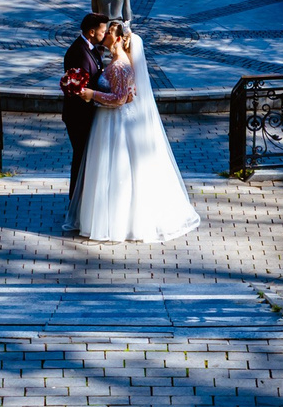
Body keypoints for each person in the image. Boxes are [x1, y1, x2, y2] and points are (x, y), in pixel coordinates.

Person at [75, 22, 201, 244]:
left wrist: (92, 94)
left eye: (109, 33)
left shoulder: (120, 66)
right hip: (111, 120)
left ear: (117, 39)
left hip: (116, 122)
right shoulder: (117, 61)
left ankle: (118, 222)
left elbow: (119, 99)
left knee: (117, 167)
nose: (105, 36)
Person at [59, 14, 107, 234]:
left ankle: (81, 204)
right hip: (78, 116)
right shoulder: (78, 52)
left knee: (85, 158)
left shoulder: (91, 49)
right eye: (102, 31)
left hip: (87, 114)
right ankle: (76, 205)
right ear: (91, 31)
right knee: (80, 158)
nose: (104, 34)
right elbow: (78, 88)